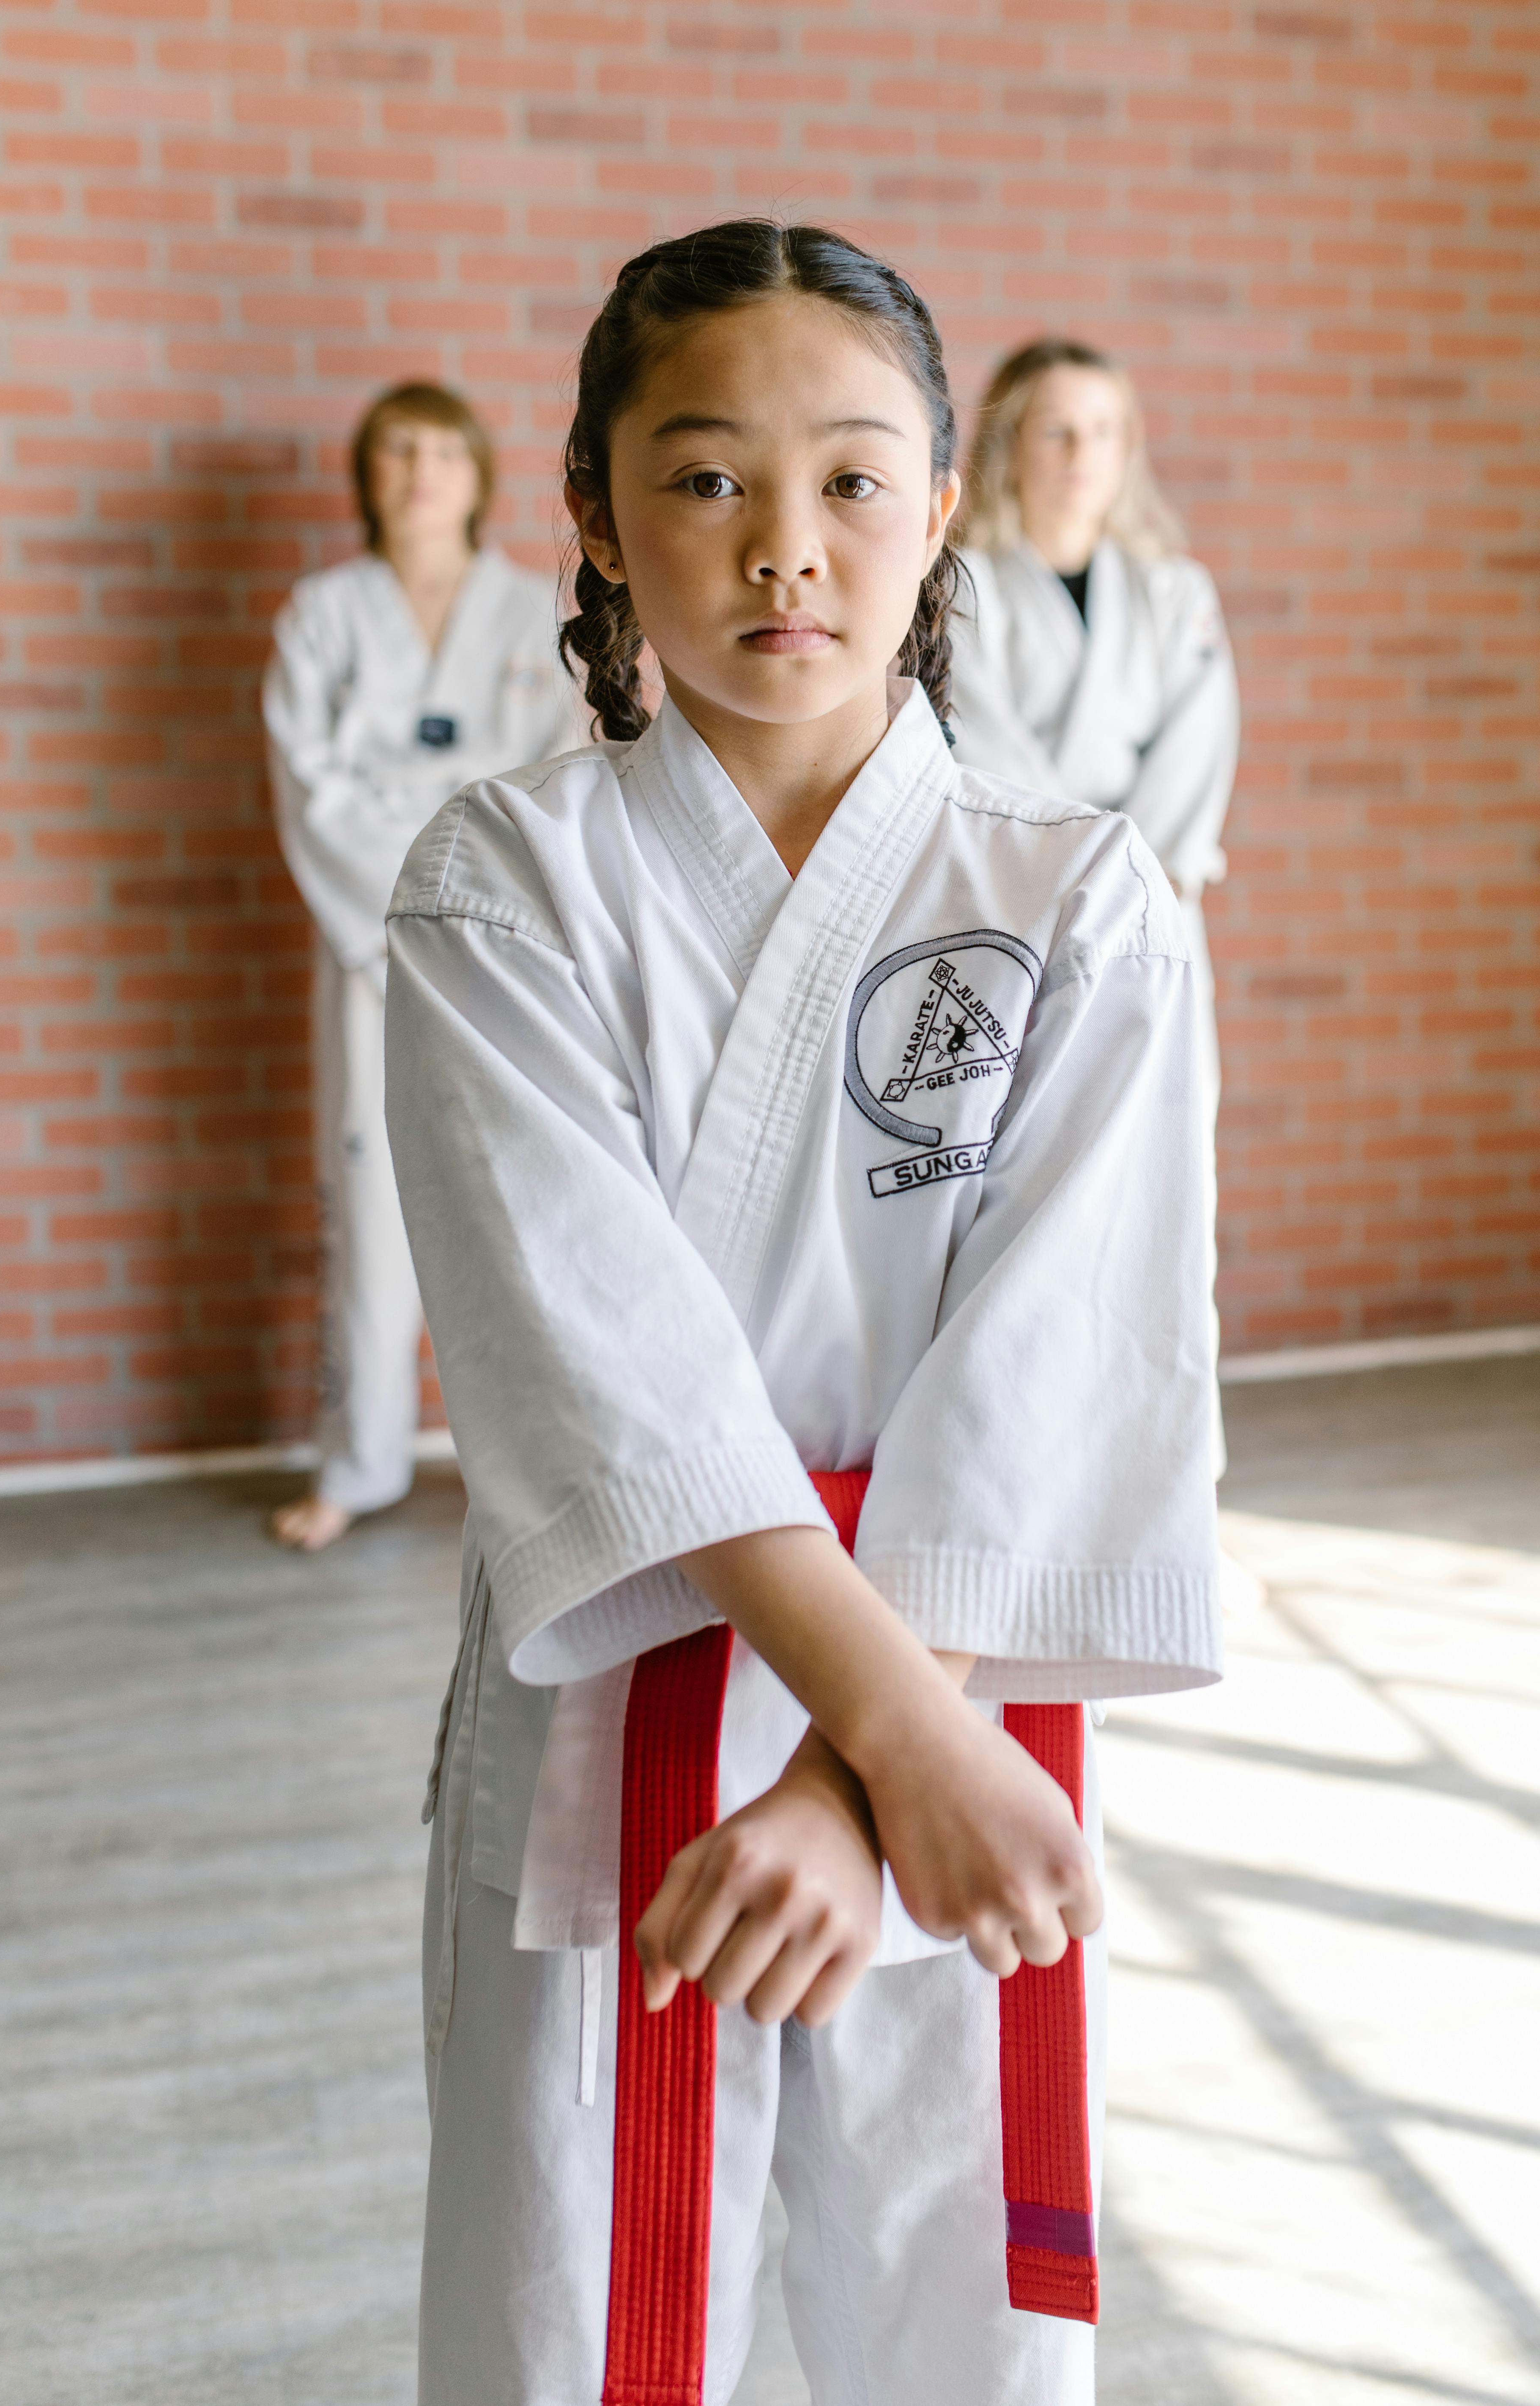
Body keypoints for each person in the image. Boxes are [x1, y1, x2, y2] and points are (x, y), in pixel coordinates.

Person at [385, 226, 1220, 2406]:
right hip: (633, 1699)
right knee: (565, 2314)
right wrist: (909, 1742)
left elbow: (1066, 1365)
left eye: (852, 482)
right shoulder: (502, 885)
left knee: (955, 2317)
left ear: (939, 509)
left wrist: (872, 1785)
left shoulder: (1075, 899)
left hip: (960, 1694)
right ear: (590, 512)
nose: (786, 550)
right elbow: (602, 1368)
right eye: (703, 479)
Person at [263, 382, 583, 1550]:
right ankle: (359, 1463)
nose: (419, 472)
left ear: (478, 473)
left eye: (442, 450)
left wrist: (456, 869)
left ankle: (541, 1473)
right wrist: (420, 877)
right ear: (368, 473)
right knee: (369, 1196)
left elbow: (549, 772)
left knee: (527, 1195)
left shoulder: (527, 612)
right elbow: (313, 792)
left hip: (504, 945)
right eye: (396, 451)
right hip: (371, 947)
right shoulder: (321, 616)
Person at [947, 338, 1239, 1474]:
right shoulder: (956, 586)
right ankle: (1029, 1462)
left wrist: (1137, 874)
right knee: (1029, 1191)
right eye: (1057, 430)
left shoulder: (1177, 592)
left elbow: (1197, 756)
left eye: (1104, 432)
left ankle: (1168, 1470)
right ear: (1009, 442)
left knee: (1173, 1184)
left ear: (1131, 452)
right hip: (1025, 922)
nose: (1081, 457)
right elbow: (994, 762)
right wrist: (1089, 868)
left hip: (1159, 917)